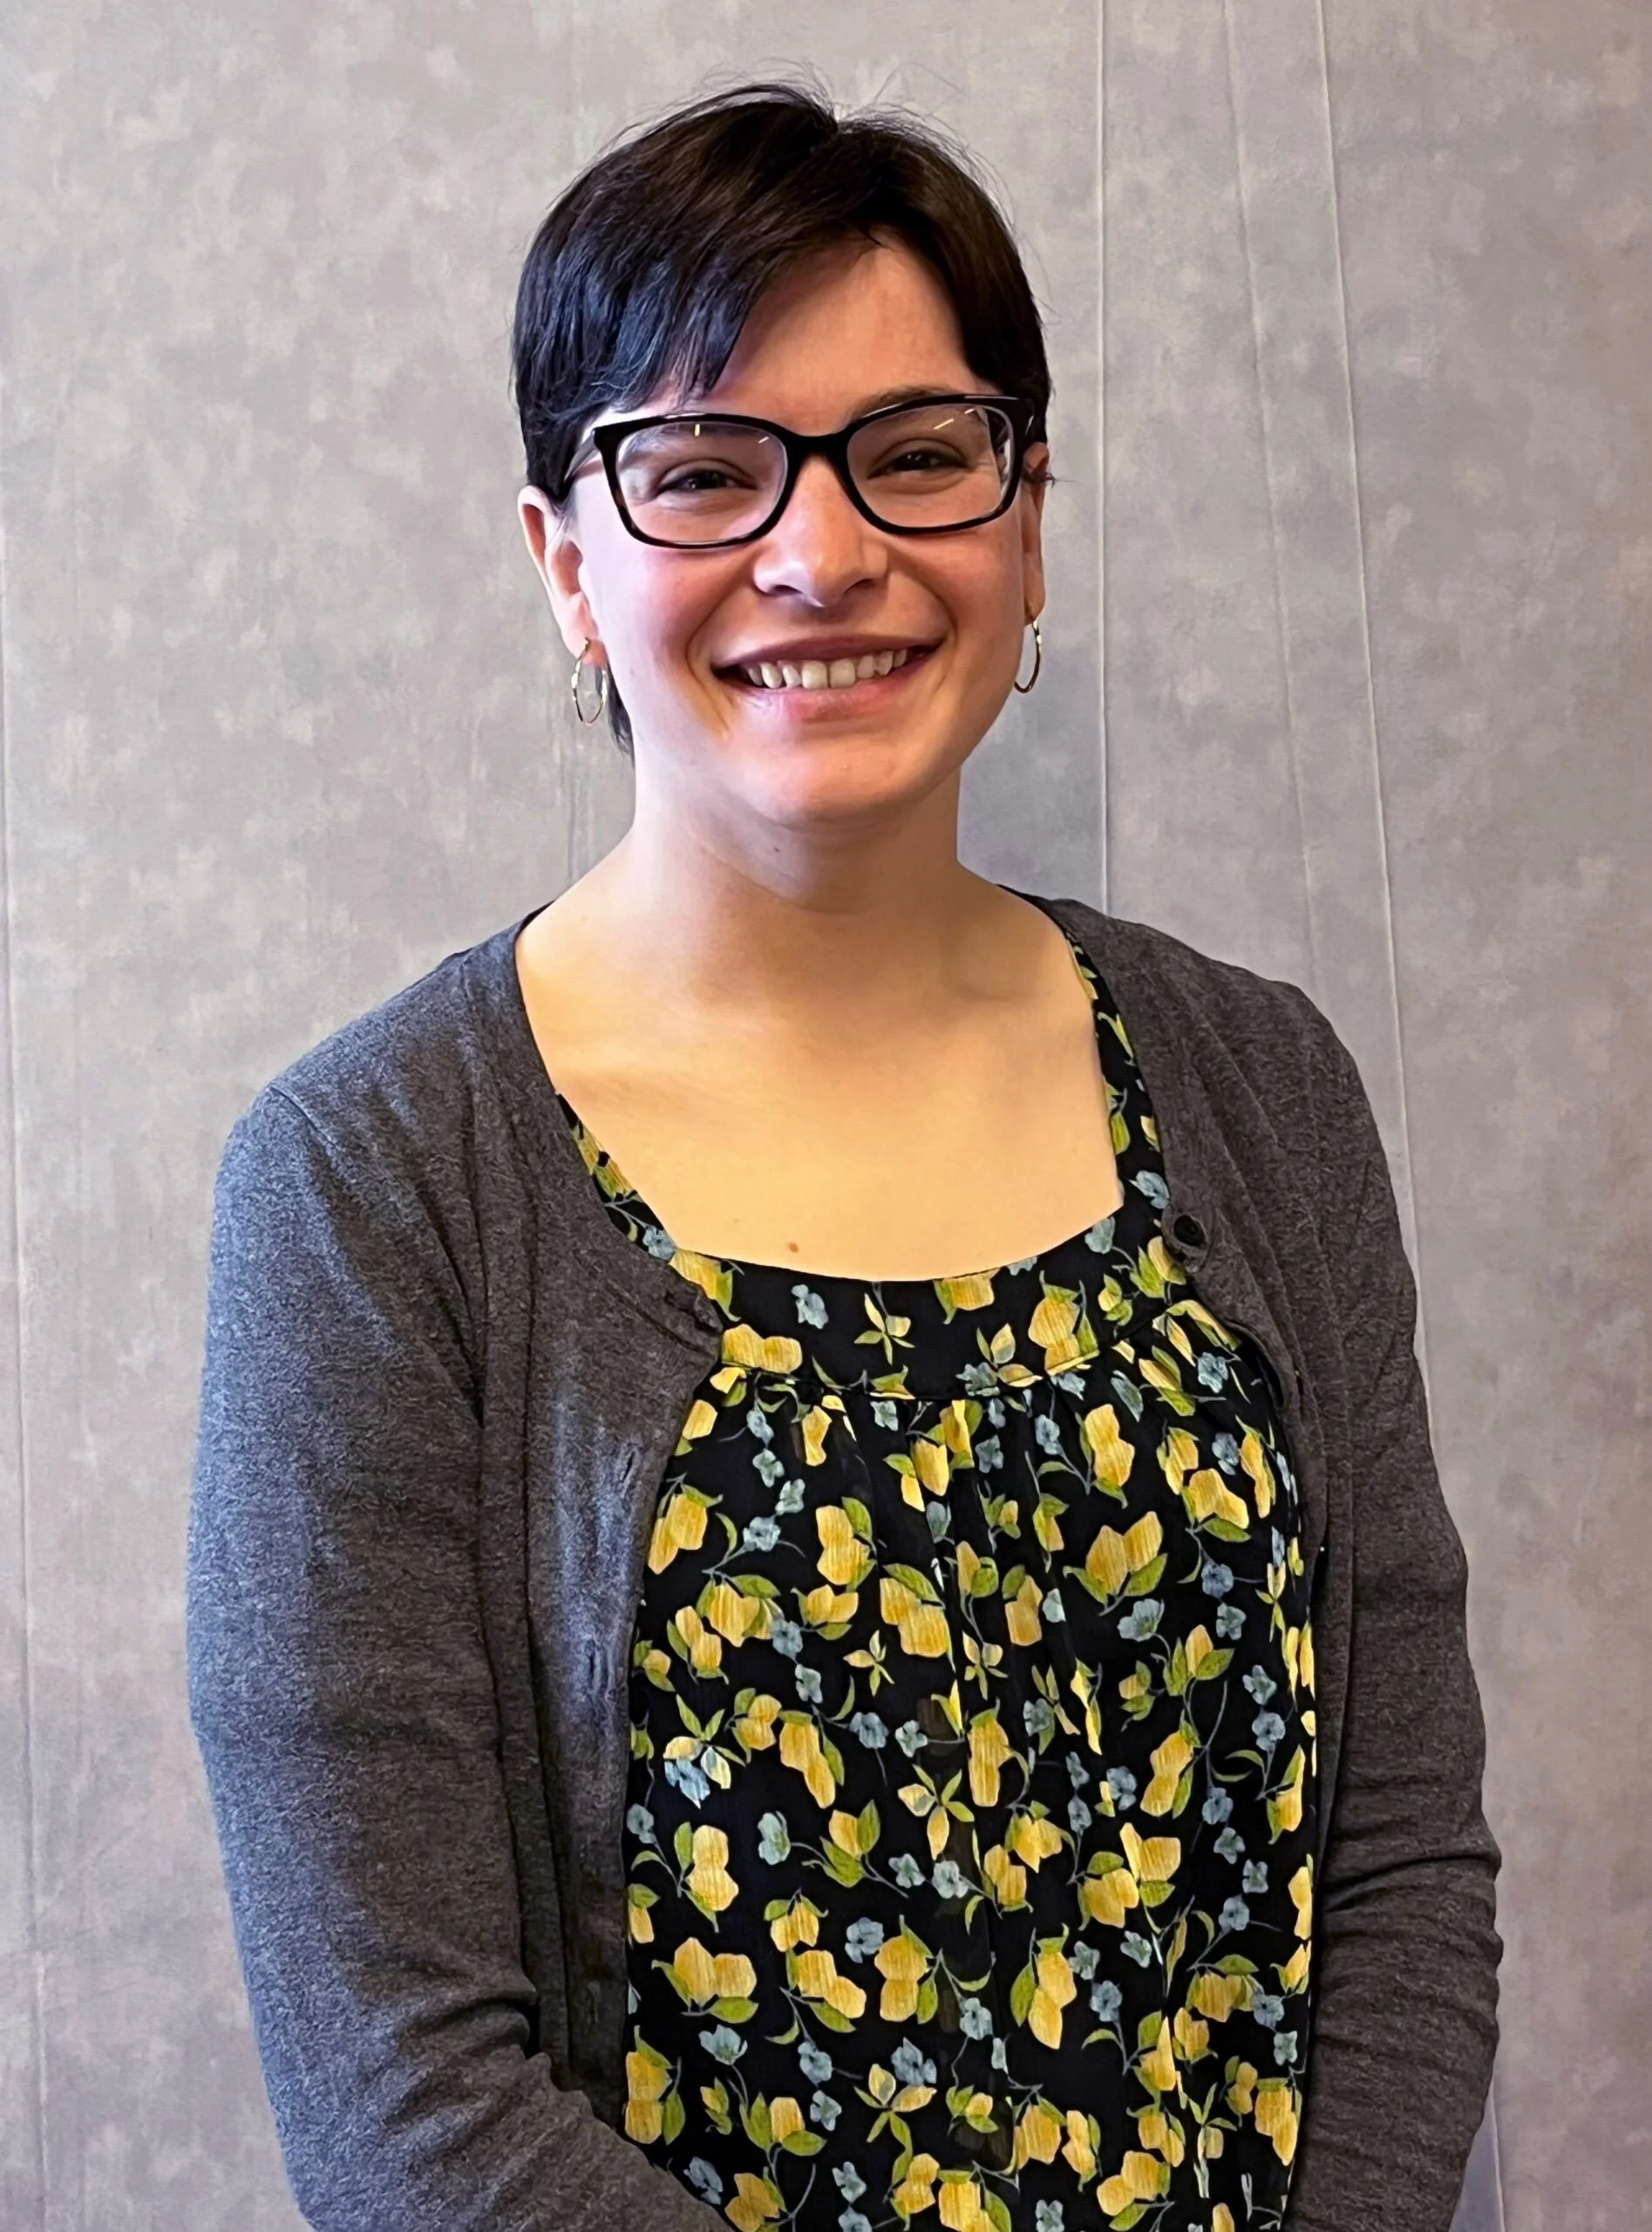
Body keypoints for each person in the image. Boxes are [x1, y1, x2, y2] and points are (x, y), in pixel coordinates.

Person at [187, 79, 1500, 2232]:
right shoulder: (374, 1178)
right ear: (564, 563)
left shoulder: (1262, 1086)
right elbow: (405, 2092)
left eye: (915, 451)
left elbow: (1398, 1865)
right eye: (702, 472)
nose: (825, 551)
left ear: (1024, 513)